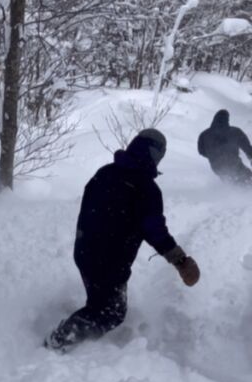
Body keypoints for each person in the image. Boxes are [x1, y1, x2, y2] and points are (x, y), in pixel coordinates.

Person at [45, 129, 200, 351]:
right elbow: (155, 231)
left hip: (84, 252)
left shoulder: (105, 173)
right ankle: (58, 343)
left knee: (100, 303)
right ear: (154, 153)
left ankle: (69, 340)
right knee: (111, 313)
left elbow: (89, 210)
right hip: (110, 262)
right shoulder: (146, 189)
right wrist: (181, 260)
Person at [197, 109, 252, 185]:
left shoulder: (204, 134)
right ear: (227, 119)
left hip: (216, 167)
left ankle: (231, 193)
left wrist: (213, 156)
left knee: (230, 181)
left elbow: (201, 151)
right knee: (247, 177)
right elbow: (247, 148)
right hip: (234, 164)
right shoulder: (235, 131)